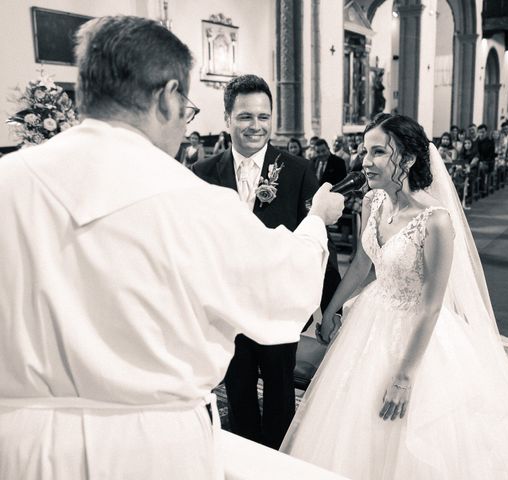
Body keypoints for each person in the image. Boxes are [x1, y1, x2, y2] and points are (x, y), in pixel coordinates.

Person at [0, 16, 345, 480]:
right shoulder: (194, 198)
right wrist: (316, 222)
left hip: (23, 450)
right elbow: (281, 290)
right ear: (167, 96)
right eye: (187, 106)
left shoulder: (9, 181)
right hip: (151, 449)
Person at [281, 113, 508, 479]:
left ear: (406, 159)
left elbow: (432, 304)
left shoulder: (435, 220)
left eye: (377, 153)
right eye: (363, 152)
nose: (365, 162)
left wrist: (404, 377)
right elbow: (361, 265)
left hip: (419, 328)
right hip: (371, 317)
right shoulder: (373, 202)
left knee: (421, 430)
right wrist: (331, 309)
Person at [192, 74, 342, 450]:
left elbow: (319, 236)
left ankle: (278, 463)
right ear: (227, 119)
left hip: (280, 308)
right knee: (238, 390)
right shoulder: (203, 174)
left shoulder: (296, 170)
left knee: (279, 391)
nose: (255, 126)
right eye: (244, 117)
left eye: (263, 116)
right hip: (227, 308)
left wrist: (329, 304)